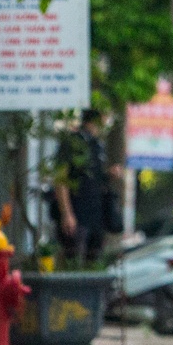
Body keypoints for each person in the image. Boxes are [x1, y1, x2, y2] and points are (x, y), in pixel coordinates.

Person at [54, 108, 122, 263]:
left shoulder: (96, 144)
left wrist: (109, 175)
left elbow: (94, 178)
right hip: (78, 212)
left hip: (96, 214)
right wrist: (67, 213)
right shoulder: (73, 143)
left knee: (93, 257)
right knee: (74, 258)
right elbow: (61, 179)